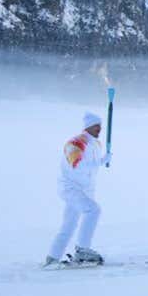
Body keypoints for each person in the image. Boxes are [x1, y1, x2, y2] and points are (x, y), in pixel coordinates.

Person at [44, 112, 108, 266]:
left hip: (85, 190)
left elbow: (89, 168)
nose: (100, 129)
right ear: (88, 126)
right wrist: (99, 163)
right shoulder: (76, 142)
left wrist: (102, 160)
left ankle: (53, 257)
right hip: (70, 188)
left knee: (69, 224)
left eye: (100, 126)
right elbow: (75, 164)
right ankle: (82, 250)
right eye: (96, 125)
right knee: (93, 210)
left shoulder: (96, 144)